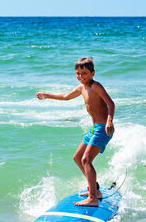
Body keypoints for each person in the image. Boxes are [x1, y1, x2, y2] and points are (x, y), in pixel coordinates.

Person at [36, 57, 115, 207]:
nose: (81, 76)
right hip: (94, 128)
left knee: (86, 159)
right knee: (78, 157)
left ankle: (92, 198)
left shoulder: (96, 86)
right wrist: (47, 96)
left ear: (92, 73)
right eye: (78, 73)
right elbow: (66, 96)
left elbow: (111, 103)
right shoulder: (81, 88)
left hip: (103, 128)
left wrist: (110, 121)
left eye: (84, 73)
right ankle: (96, 190)